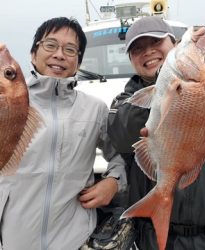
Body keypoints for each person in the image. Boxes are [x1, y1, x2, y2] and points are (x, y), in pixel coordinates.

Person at [107, 16, 205, 250]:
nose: (148, 51)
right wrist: (167, 98)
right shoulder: (124, 101)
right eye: (138, 48)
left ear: (174, 44)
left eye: (156, 42)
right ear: (131, 59)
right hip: (158, 240)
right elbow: (121, 129)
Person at [0, 17, 126, 250]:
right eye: (50, 45)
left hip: (76, 237)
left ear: (78, 62)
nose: (59, 54)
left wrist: (114, 181)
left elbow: (120, 156)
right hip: (14, 239)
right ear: (32, 53)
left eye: (70, 49)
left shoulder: (96, 108)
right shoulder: (9, 100)